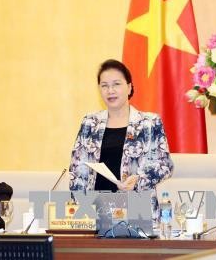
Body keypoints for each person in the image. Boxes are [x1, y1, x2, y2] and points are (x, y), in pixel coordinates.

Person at [69, 59, 174, 219]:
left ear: (129, 87)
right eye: (104, 86)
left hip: (137, 211)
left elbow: (165, 165)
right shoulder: (90, 123)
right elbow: (77, 169)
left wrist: (139, 178)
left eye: (116, 84)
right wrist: (79, 209)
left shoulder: (149, 123)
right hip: (94, 212)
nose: (110, 90)